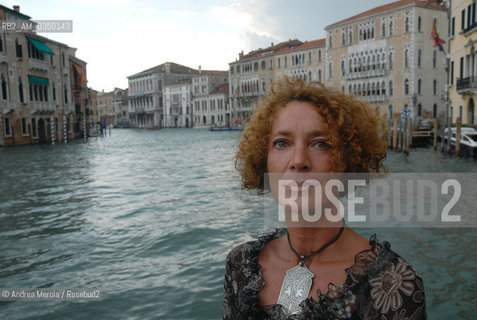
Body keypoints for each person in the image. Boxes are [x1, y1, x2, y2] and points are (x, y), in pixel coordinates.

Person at [223, 78, 426, 319]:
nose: (298, 160)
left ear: (348, 161)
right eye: (281, 143)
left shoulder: (393, 285)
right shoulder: (240, 264)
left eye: (321, 144)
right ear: (264, 160)